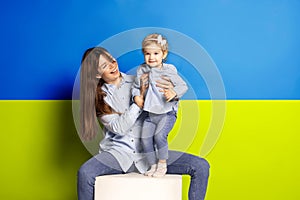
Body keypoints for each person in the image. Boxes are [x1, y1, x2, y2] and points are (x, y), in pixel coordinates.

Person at [77, 47, 210, 200]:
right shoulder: (99, 98)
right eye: (104, 65)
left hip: (150, 155)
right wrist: (138, 103)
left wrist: (172, 97)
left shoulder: (139, 81)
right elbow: (119, 128)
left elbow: (164, 107)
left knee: (200, 166)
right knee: (85, 172)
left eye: (112, 60)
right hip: (118, 155)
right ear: (97, 74)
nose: (112, 65)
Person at [132, 33, 188, 177]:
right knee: (145, 139)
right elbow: (135, 86)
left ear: (164, 54)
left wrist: (173, 92)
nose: (151, 57)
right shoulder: (141, 70)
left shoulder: (169, 70)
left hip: (167, 113)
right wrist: (136, 96)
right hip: (150, 114)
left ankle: (162, 165)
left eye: (156, 53)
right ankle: (152, 165)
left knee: (159, 136)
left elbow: (183, 86)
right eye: (147, 54)